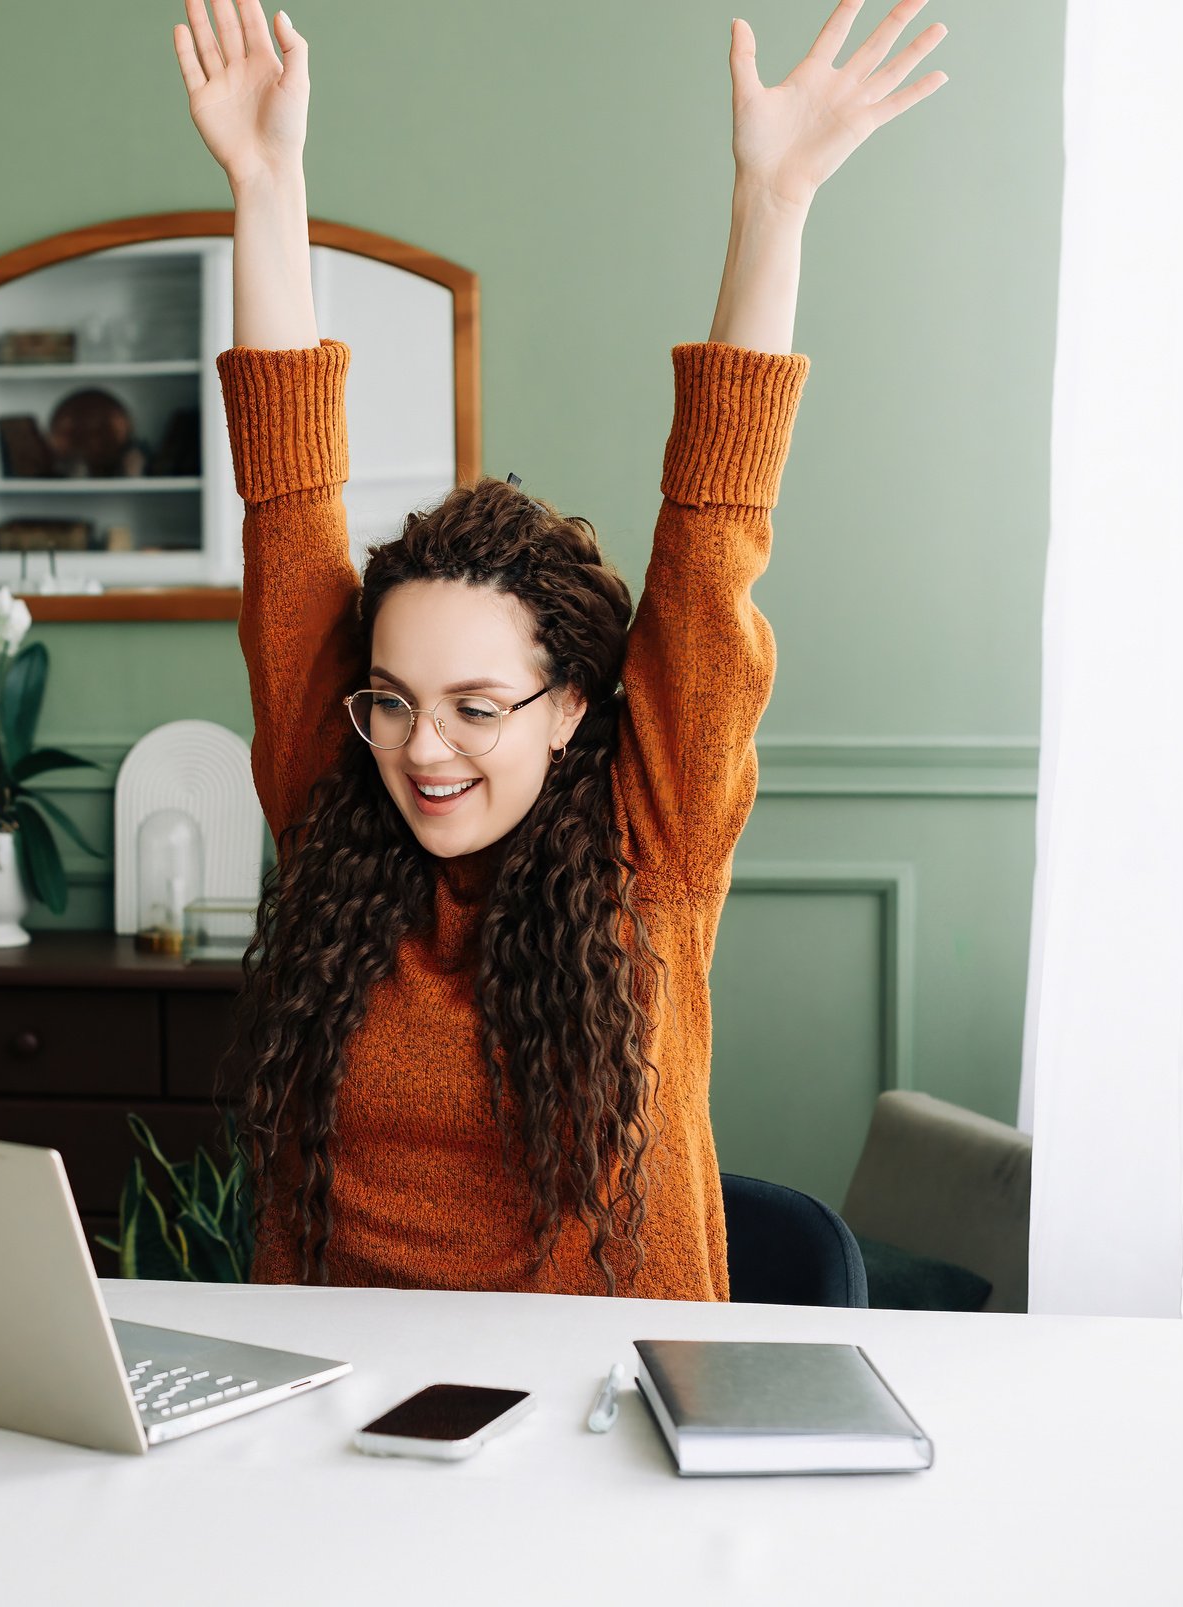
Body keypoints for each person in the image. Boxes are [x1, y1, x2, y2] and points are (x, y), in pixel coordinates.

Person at [171, 0, 949, 1295]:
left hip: (602, 1438)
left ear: (572, 707)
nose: (425, 751)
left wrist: (775, 199)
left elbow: (714, 527)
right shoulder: (336, 806)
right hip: (339, 1437)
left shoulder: (655, 841)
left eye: (478, 708)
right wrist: (265, 179)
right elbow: (288, 508)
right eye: (395, 702)